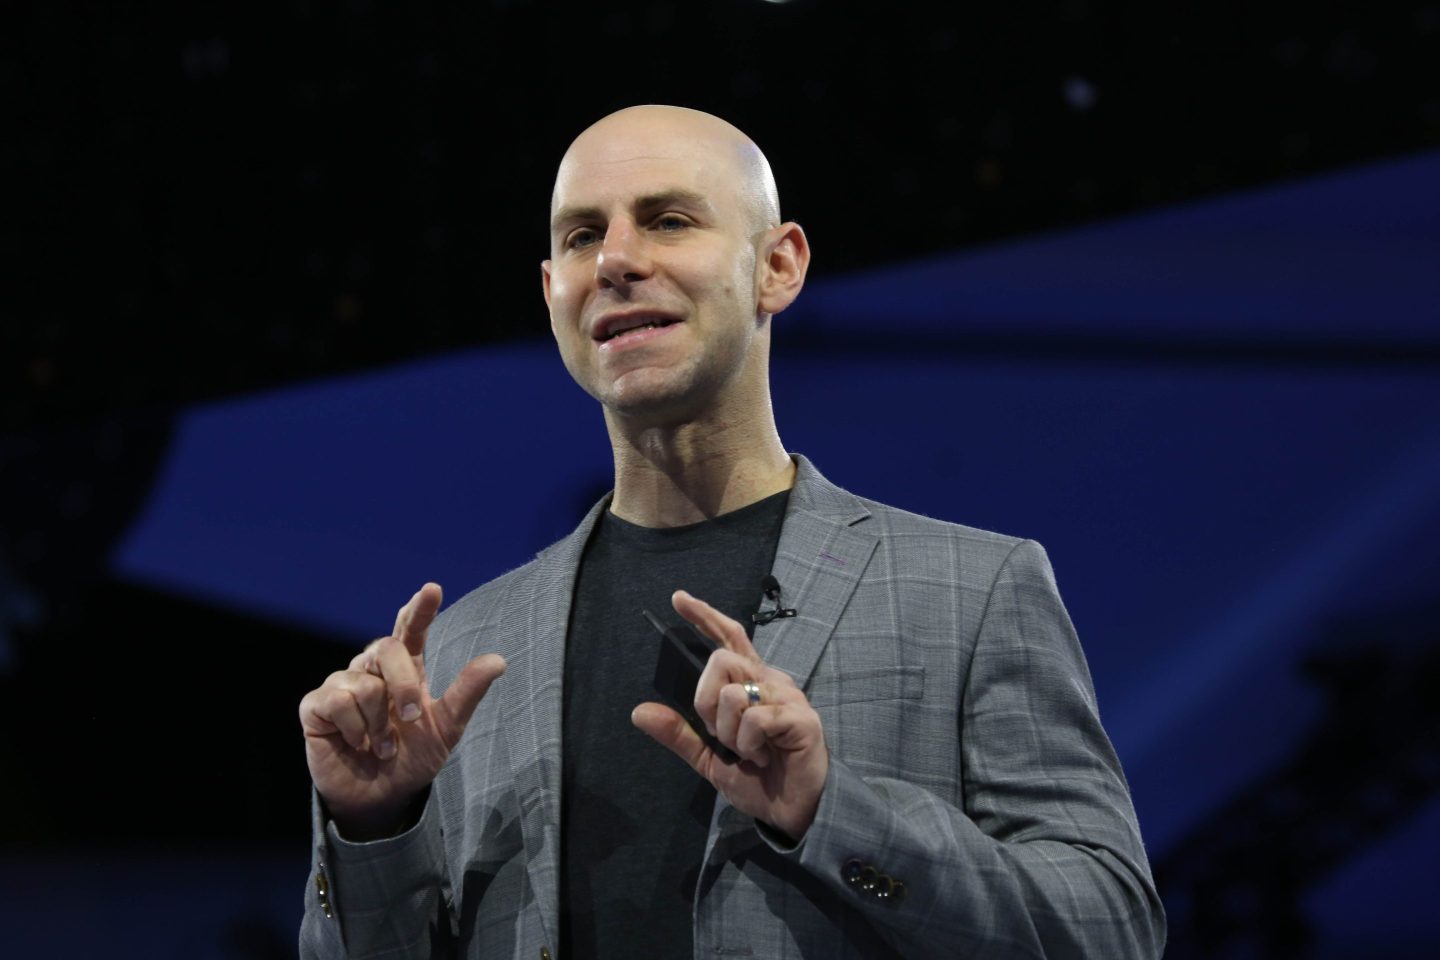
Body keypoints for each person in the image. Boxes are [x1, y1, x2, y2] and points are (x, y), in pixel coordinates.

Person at [298, 105, 1166, 959]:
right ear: (552, 293)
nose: (616, 261)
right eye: (582, 236)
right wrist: (371, 828)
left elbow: (1109, 930)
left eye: (668, 221)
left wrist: (832, 809)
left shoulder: (975, 591)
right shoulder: (464, 653)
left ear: (777, 267)